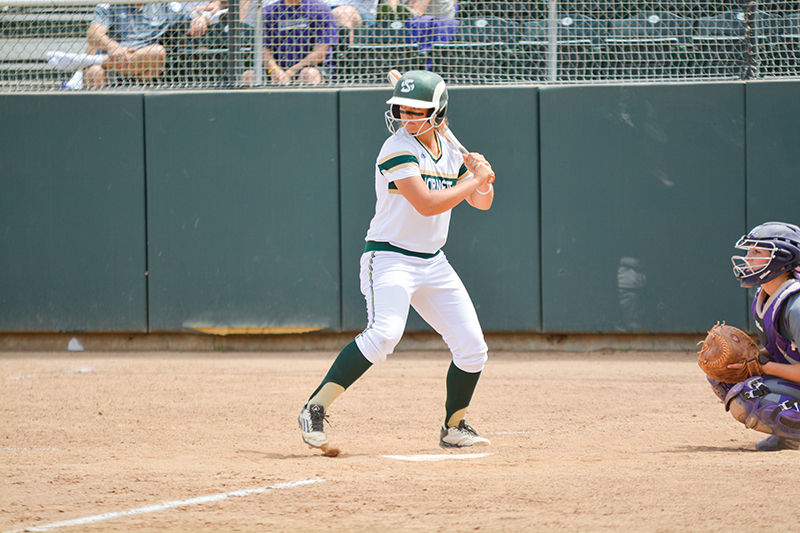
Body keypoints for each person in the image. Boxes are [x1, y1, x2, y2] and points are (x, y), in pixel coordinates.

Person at [298, 70, 496, 450]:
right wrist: (473, 181)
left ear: (438, 114)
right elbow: (426, 204)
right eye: (402, 109)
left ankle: (454, 426)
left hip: (433, 262)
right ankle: (314, 407)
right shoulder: (396, 148)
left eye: (417, 111)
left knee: (473, 349)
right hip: (389, 258)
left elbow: (481, 203)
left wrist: (481, 179)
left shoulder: (451, 151)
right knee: (385, 333)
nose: (407, 117)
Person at [710, 221, 800, 451]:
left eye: (757, 251)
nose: (748, 258)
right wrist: (748, 359)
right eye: (748, 251)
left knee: (750, 395)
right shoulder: (766, 295)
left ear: (782, 258)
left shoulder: (796, 306)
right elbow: (782, 352)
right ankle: (785, 434)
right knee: (725, 374)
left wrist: (763, 368)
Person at [80, 2, 216, 88]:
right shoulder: (111, 3)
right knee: (94, 71)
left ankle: (94, 61)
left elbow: (195, 18)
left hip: (145, 65)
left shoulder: (164, 5)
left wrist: (202, 19)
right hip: (113, 60)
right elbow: (93, 34)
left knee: (157, 52)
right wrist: (113, 47)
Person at [256, 0, 338, 85]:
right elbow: (264, 49)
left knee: (309, 74)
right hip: (277, 67)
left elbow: (320, 54)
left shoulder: (320, 9)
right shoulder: (269, 12)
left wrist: (291, 71)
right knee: (249, 75)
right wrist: (274, 69)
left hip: (312, 66)